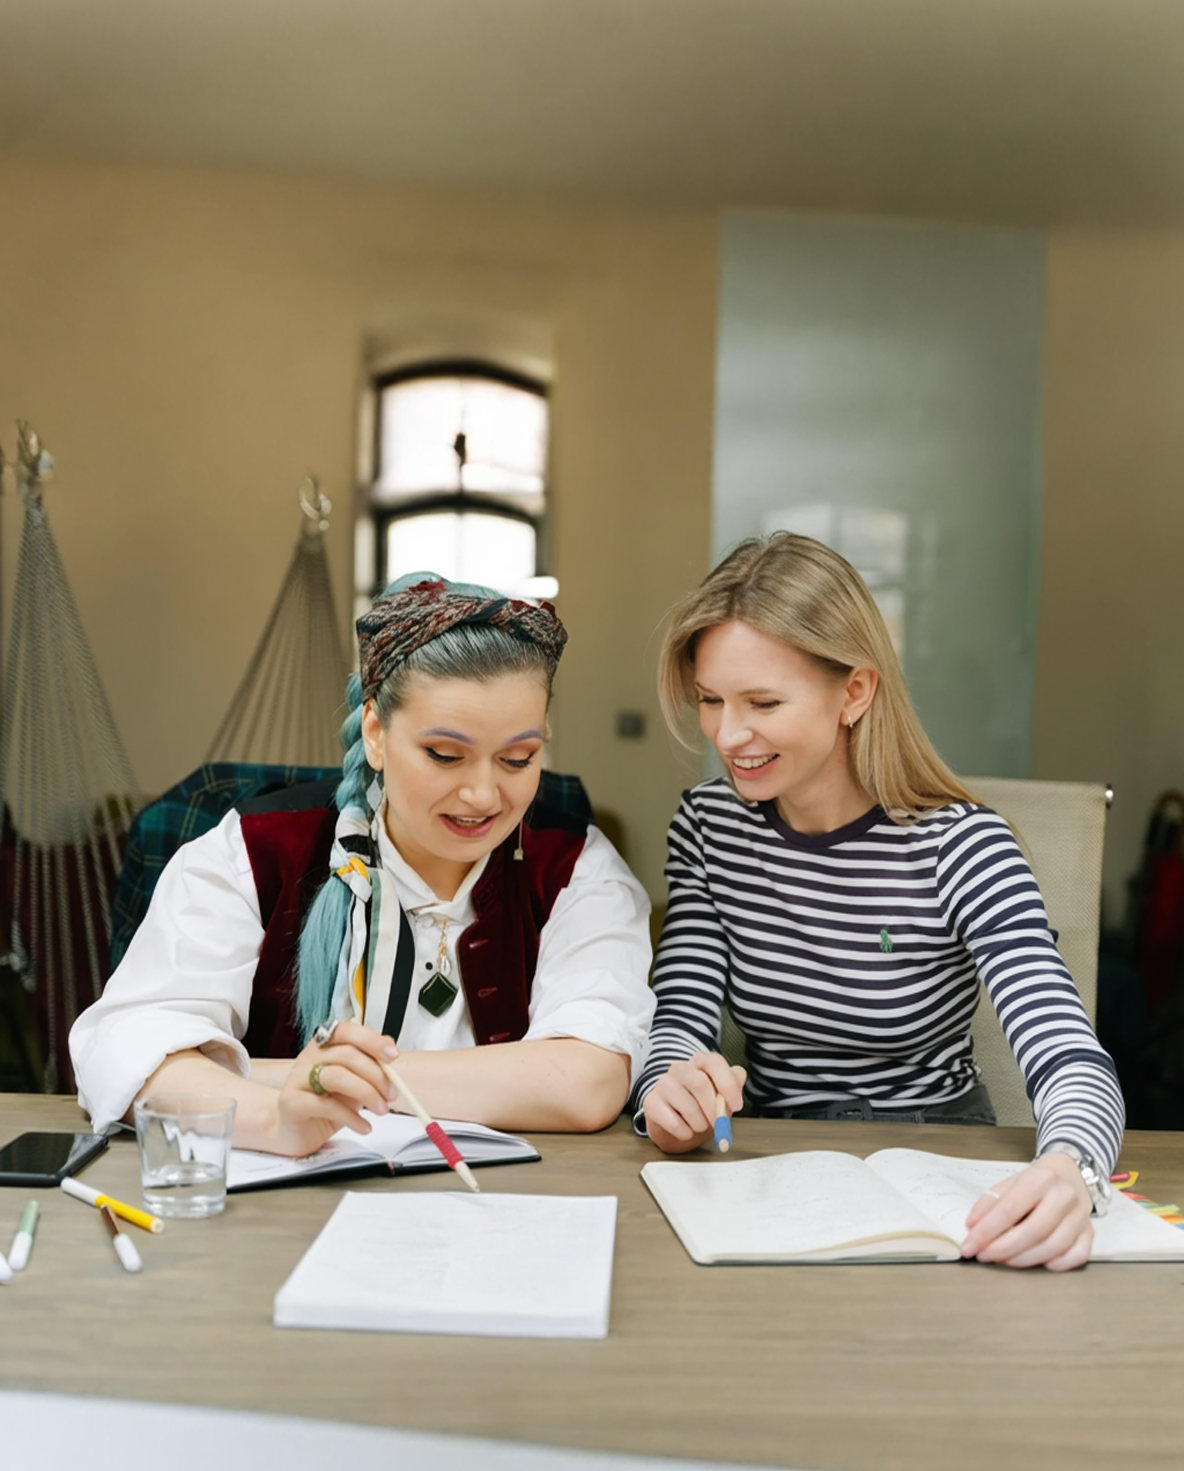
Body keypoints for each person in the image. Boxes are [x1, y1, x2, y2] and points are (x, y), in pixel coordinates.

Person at [632, 533, 1124, 1271]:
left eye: (763, 701)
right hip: (775, 1160)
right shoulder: (709, 828)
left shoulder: (965, 845)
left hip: (941, 1159)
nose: (728, 734)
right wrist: (664, 1092)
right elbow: (680, 1017)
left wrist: (1073, 1170)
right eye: (710, 700)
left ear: (854, 692)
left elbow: (1068, 1054)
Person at [71, 574, 654, 1156]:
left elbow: (587, 1083)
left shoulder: (577, 870)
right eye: (445, 756)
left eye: (518, 759)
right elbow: (126, 1048)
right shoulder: (253, 852)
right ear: (375, 732)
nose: (483, 794)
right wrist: (276, 1119)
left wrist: (279, 1076)